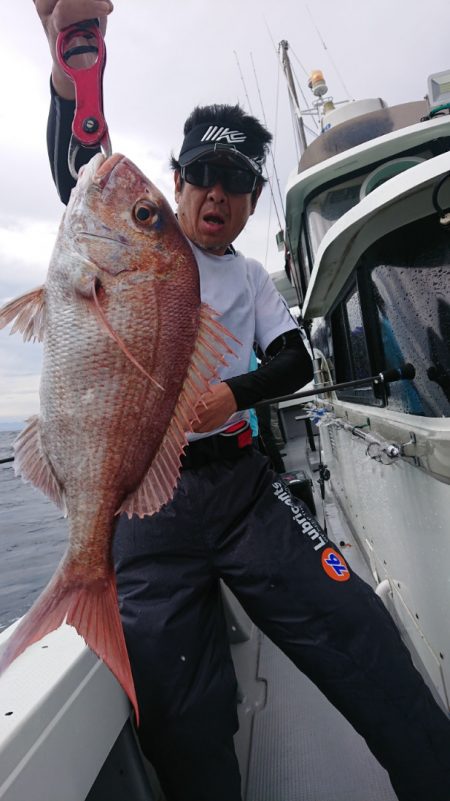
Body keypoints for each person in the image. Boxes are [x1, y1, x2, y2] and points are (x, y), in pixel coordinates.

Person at [34, 3, 450, 800]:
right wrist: (72, 69)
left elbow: (293, 358)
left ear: (255, 200)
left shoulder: (253, 281)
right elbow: (83, 167)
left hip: (242, 492)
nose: (216, 195)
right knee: (177, 702)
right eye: (202, 176)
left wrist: (232, 391)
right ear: (178, 179)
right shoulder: (140, 244)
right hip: (145, 519)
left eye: (237, 182)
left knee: (358, 630)